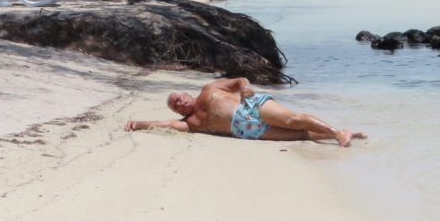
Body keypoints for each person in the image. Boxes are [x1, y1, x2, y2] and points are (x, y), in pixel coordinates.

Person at [124, 77, 365, 147]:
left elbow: (240, 80)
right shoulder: (191, 123)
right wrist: (139, 124)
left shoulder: (209, 90)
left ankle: (336, 132)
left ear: (186, 94)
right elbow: (166, 124)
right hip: (246, 130)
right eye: (175, 105)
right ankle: (342, 134)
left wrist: (246, 88)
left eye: (179, 98)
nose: (180, 103)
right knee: (300, 135)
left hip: (250, 106)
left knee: (292, 120)